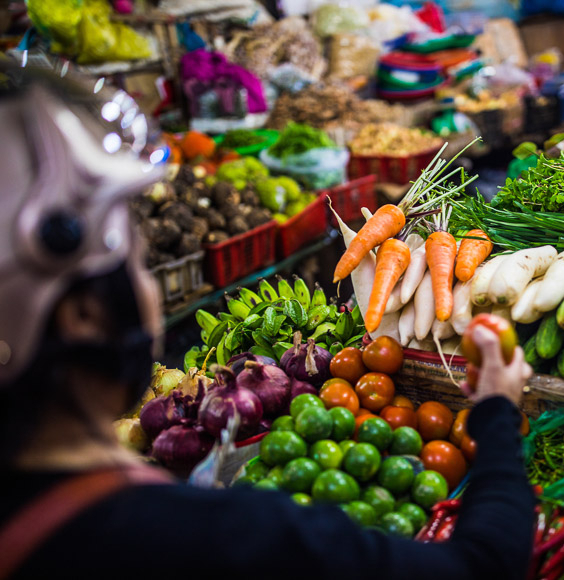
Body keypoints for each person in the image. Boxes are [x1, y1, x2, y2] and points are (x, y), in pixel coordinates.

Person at [0, 60, 536, 578]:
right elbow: (483, 563)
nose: (146, 284)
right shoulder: (217, 538)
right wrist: (494, 410)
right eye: (140, 263)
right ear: (85, 315)